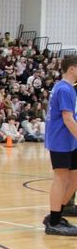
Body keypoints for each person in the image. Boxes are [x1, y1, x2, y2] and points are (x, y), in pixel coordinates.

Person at [43, 56, 77, 236]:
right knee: (61, 177)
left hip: (70, 140)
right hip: (61, 139)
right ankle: (54, 222)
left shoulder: (66, 88)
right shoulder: (64, 88)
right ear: (72, 69)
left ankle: (58, 214)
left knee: (74, 178)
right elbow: (67, 118)